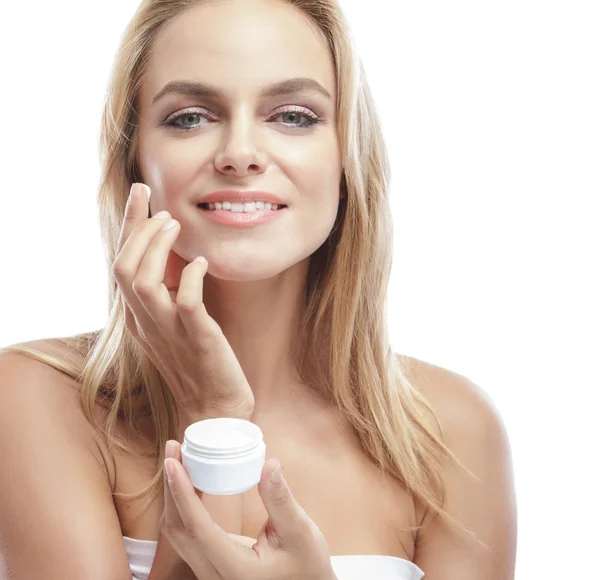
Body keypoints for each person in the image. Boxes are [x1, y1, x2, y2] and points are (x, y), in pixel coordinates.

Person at [0, 0, 517, 578]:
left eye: (294, 116)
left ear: (346, 160)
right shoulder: (37, 396)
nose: (240, 154)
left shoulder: (449, 432)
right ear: (135, 160)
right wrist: (214, 421)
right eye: (190, 117)